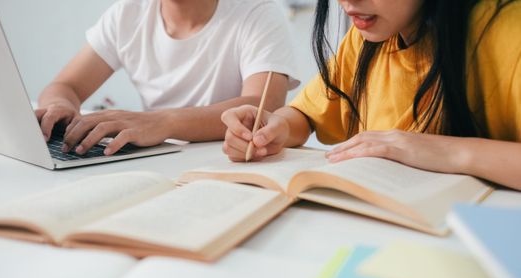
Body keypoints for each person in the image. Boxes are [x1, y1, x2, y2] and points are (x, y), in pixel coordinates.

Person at [221, 0, 521, 191]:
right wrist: (276, 127)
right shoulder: (368, 36)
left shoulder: (508, 31)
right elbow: (307, 114)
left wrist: (448, 151)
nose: (347, 2)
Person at [36, 0, 298, 155]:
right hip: (153, 159)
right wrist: (60, 107)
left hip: (227, 161)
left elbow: (264, 107)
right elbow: (65, 86)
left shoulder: (258, 12)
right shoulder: (128, 13)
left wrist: (163, 121)